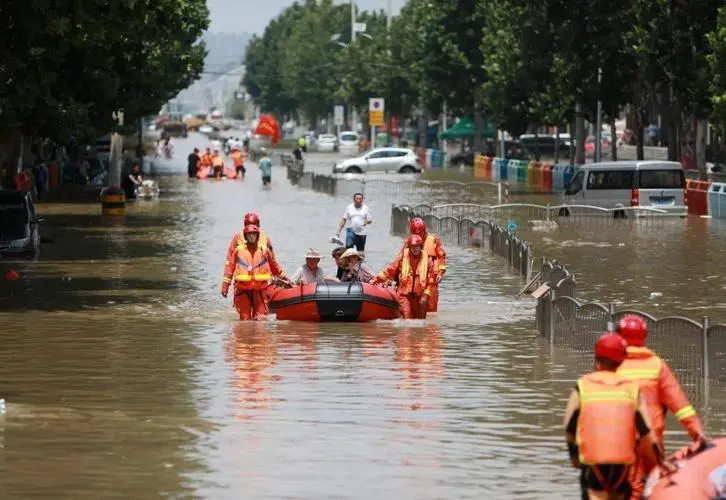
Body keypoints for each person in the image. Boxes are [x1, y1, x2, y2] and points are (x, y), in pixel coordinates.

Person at [564, 332, 671, 500]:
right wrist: (660, 463)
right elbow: (646, 433)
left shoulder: (582, 386)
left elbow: (569, 426)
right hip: (622, 467)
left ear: (596, 358)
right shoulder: (632, 389)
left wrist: (573, 456)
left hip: (593, 466)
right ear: (621, 361)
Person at [615, 314, 706, 497]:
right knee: (647, 489)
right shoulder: (657, 365)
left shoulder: (611, 365)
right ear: (644, 336)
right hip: (651, 445)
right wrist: (699, 435)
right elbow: (681, 406)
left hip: (617, 444)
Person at [221, 225, 288, 320]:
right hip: (242, 290)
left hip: (260, 290)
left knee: (261, 320)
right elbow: (229, 270)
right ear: (245, 236)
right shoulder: (238, 251)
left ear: (257, 236)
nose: (252, 236)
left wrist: (285, 279)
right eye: (249, 234)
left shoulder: (264, 251)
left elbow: (275, 268)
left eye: (253, 234)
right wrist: (225, 287)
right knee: (245, 321)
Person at [372, 235, 435, 319]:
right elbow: (391, 269)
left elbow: (431, 280)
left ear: (421, 246)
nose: (414, 249)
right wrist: (377, 279)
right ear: (409, 247)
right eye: (412, 247)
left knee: (420, 322)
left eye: (417, 246)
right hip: (404, 294)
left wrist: (425, 295)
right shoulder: (402, 257)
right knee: (407, 319)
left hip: (419, 296)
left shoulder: (428, 260)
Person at [405, 217, 447, 313]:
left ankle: (429, 326)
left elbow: (441, 257)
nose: (419, 237)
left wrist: (440, 273)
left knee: (431, 308)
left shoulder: (433, 240)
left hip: (431, 279)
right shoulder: (409, 242)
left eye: (420, 234)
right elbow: (400, 260)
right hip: (415, 279)